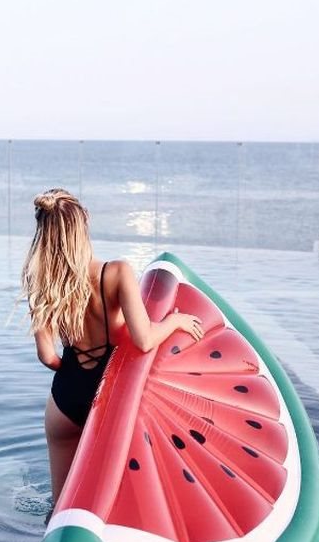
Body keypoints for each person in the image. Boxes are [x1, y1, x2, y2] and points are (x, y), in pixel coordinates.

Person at [20, 188, 204, 520]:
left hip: (64, 401)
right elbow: (144, 339)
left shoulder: (41, 281)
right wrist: (175, 321)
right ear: (85, 222)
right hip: (109, 401)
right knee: (111, 506)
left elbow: (47, 357)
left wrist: (74, 370)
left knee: (59, 510)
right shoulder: (117, 272)